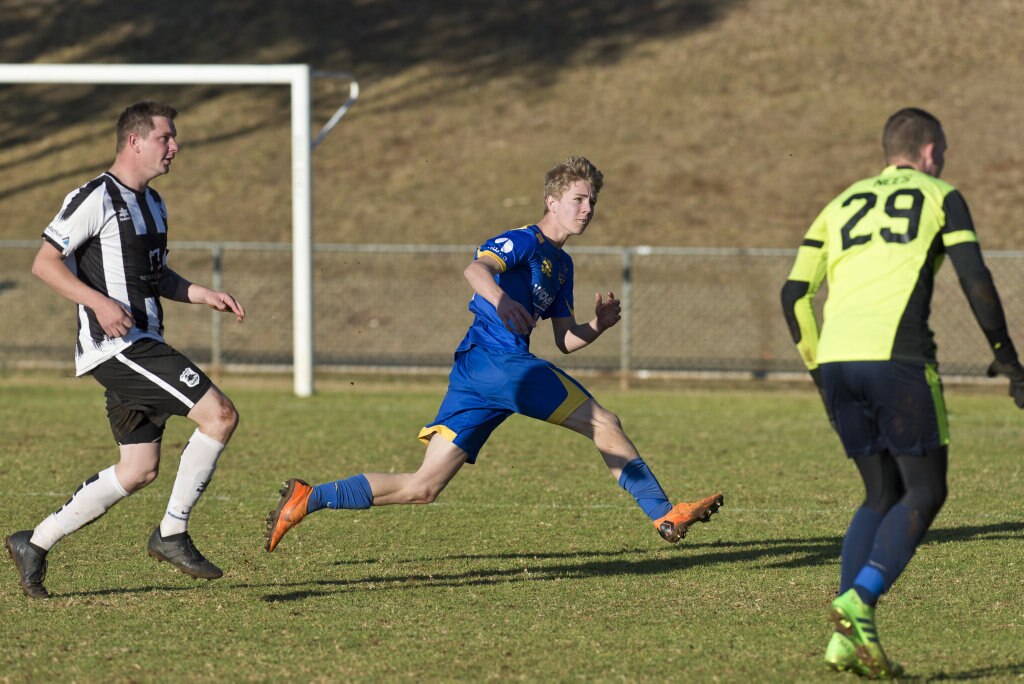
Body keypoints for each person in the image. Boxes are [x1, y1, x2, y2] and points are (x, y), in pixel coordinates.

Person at [265, 156, 723, 553]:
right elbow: (476, 267)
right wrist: (501, 300)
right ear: (553, 201)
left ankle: (310, 498)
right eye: (579, 200)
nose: (588, 210)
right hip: (498, 363)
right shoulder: (524, 241)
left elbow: (565, 339)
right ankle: (665, 513)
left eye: (592, 202)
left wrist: (599, 326)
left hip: (481, 374)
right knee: (604, 422)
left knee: (423, 487)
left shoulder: (562, 266)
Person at [780, 107, 1024, 679]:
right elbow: (976, 279)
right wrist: (1009, 360)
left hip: (839, 362)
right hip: (899, 359)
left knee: (880, 492)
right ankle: (859, 600)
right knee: (926, 491)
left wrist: (820, 373)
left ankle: (846, 638)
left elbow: (793, 294)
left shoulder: (839, 203)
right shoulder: (941, 194)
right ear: (931, 151)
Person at [5, 101, 246, 599]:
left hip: (143, 341)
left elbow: (154, 276)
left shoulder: (154, 203)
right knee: (219, 415)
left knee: (138, 470)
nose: (175, 147)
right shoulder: (94, 197)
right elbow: (45, 263)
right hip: (118, 347)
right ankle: (172, 532)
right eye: (166, 138)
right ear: (134, 142)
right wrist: (96, 303)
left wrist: (200, 294)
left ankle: (34, 542)